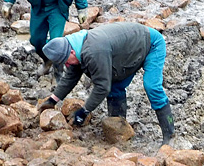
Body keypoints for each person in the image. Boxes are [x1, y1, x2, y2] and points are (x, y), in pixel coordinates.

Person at [38, 22, 175, 144]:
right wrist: (52, 100)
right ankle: (118, 129)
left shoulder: (93, 51)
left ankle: (169, 135)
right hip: (128, 49)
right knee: (115, 85)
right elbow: (70, 77)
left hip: (151, 43)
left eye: (66, 61)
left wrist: (84, 111)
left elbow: (102, 87)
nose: (67, 64)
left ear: (72, 52)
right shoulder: (74, 47)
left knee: (151, 86)